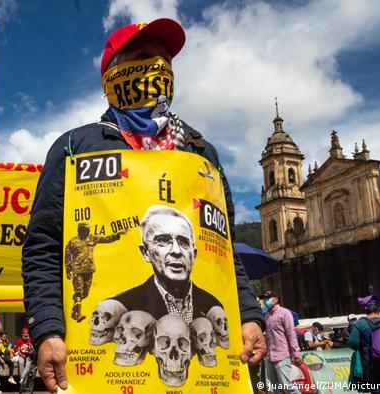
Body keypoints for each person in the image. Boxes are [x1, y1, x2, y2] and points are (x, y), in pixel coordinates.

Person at [22, 18, 265, 392]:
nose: (158, 69)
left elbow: (225, 251)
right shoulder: (77, 147)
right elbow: (44, 247)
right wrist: (47, 329)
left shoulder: (201, 153)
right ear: (112, 76)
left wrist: (249, 315)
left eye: (165, 60)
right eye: (143, 57)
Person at [110, 205, 222, 323]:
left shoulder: (213, 306)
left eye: (183, 242)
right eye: (163, 241)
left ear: (194, 254)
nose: (176, 251)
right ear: (145, 252)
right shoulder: (123, 308)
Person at [65, 222, 126, 322]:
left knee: (85, 293)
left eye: (89, 229)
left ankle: (74, 311)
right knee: (78, 292)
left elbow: (106, 239)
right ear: (80, 230)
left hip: (89, 269)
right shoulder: (73, 242)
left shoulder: (92, 238)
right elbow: (67, 256)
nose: (89, 231)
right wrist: (68, 270)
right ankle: (78, 314)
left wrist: (118, 235)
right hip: (77, 270)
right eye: (86, 229)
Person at [261, 291, 301, 394]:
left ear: (276, 299)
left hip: (282, 355)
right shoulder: (266, 316)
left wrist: (296, 354)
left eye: (268, 298)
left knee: (287, 386)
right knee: (271, 388)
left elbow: (291, 334)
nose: (265, 300)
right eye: (264, 298)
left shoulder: (285, 313)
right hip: (269, 356)